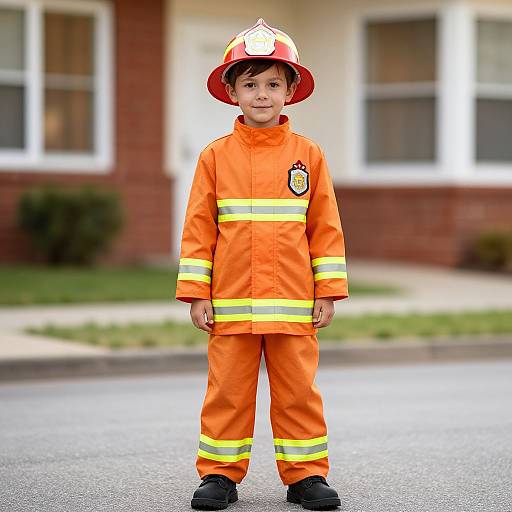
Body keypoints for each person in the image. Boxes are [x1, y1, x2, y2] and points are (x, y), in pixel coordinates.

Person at [175, 18, 349, 511]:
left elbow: (326, 227)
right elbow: (199, 228)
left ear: (291, 90)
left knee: (298, 393)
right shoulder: (214, 157)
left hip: (295, 304)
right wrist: (197, 293)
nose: (262, 94)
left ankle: (307, 476)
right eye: (250, 84)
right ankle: (219, 475)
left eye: (273, 83)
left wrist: (328, 290)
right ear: (232, 91)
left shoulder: (308, 156)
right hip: (230, 304)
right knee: (227, 393)